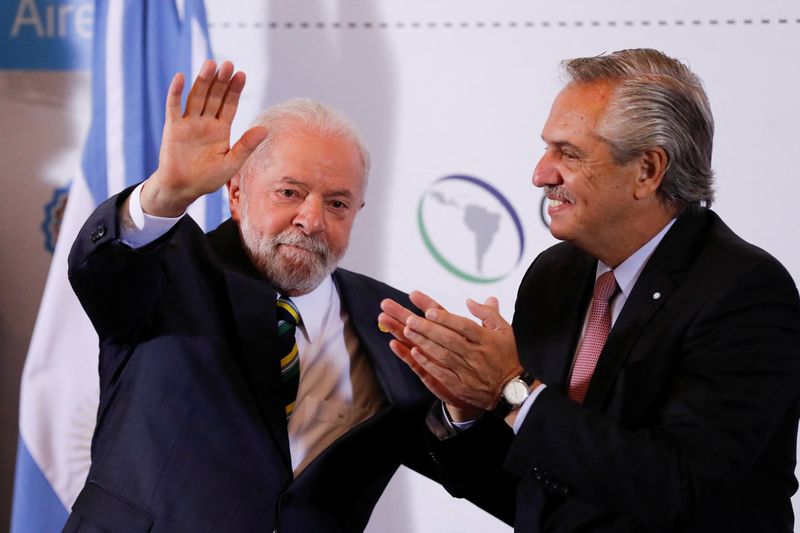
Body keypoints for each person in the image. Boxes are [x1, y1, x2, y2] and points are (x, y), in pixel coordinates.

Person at [64, 60, 507, 532]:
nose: (311, 220)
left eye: (337, 203)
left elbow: (489, 481)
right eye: (290, 192)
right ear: (236, 192)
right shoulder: (168, 267)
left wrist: (465, 412)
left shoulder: (395, 324)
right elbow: (102, 269)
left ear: (358, 210)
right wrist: (163, 197)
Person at [379, 48, 800, 531]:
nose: (541, 174)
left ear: (647, 170)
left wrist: (511, 391)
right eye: (546, 148)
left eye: (568, 152)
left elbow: (679, 487)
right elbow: (537, 495)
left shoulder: (745, 292)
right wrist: (467, 409)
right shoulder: (555, 276)